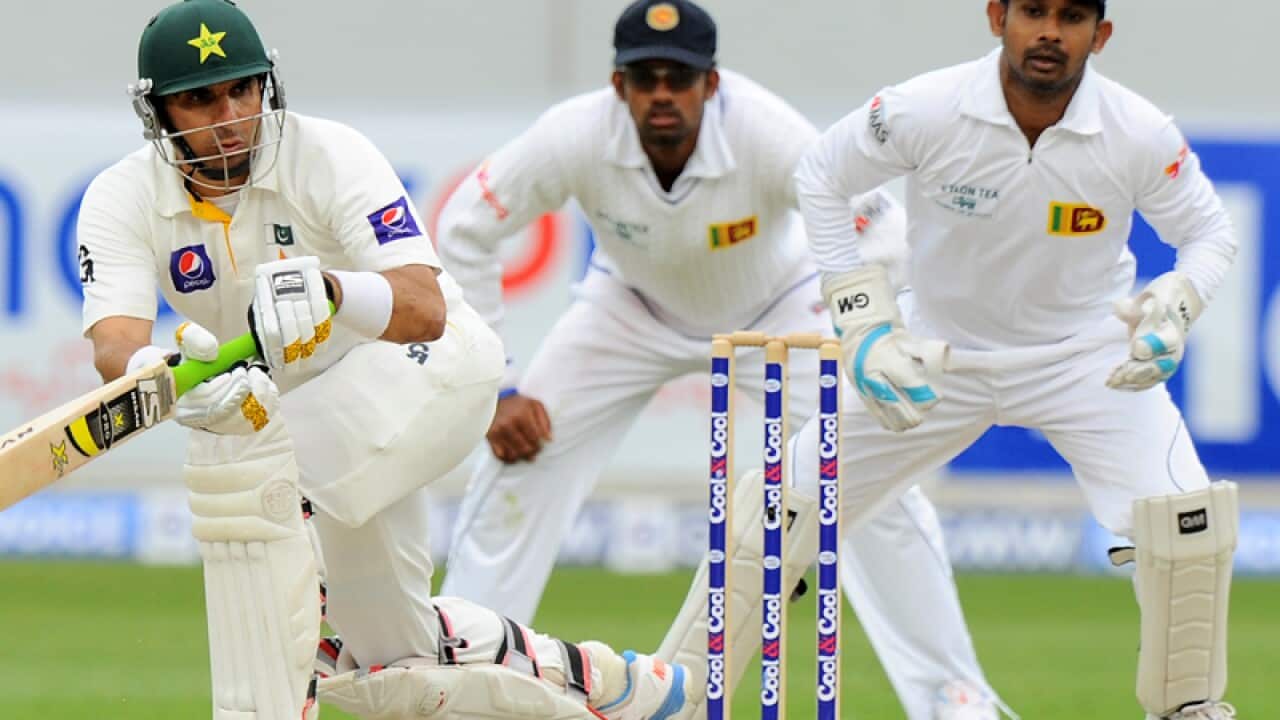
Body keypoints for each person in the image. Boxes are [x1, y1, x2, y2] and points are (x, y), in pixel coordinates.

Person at [79, 1, 693, 718]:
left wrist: (334, 290)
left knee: (250, 476)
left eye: (241, 90)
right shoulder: (122, 197)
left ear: (266, 87)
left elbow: (425, 307)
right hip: (311, 416)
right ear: (156, 113)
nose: (228, 116)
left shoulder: (328, 154)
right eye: (199, 100)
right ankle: (614, 687)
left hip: (430, 370)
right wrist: (169, 376)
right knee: (396, 657)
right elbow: (114, 346)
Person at [436, 1, 1007, 717]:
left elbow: (880, 229)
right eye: (646, 79)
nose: (663, 94)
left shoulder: (765, 132)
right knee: (518, 461)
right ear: (620, 87)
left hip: (779, 312)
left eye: (681, 78)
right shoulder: (573, 135)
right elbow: (465, 226)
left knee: (871, 480)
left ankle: (952, 698)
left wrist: (867, 334)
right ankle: (457, 681)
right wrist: (497, 383)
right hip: (627, 310)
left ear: (712, 84)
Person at [781, 1, 1240, 718]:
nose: (1049, 32)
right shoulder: (925, 108)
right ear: (997, 16)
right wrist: (863, 321)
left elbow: (1209, 233)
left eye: (1071, 16)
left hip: (1085, 362)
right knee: (769, 525)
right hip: (938, 355)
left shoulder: (1138, 131)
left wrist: (1176, 305)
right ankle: (674, 687)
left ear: (1102, 34)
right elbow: (819, 174)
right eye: (1032, 10)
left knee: (1188, 532)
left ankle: (1189, 711)